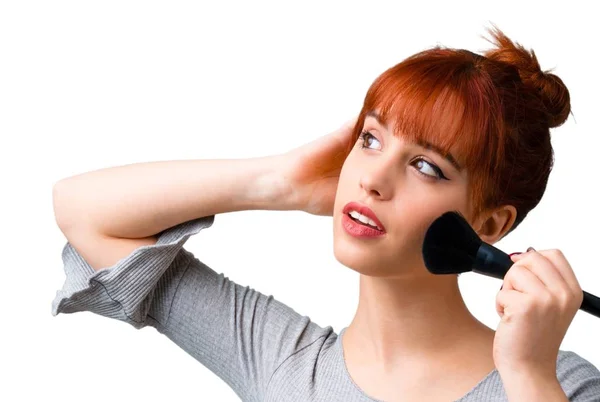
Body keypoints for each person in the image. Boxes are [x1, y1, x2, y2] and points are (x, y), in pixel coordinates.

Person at [51, 24, 600, 401]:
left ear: (491, 226)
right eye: (370, 139)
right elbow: (84, 212)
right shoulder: (282, 360)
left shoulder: (562, 384)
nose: (373, 178)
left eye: (426, 166)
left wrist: (528, 374)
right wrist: (276, 183)